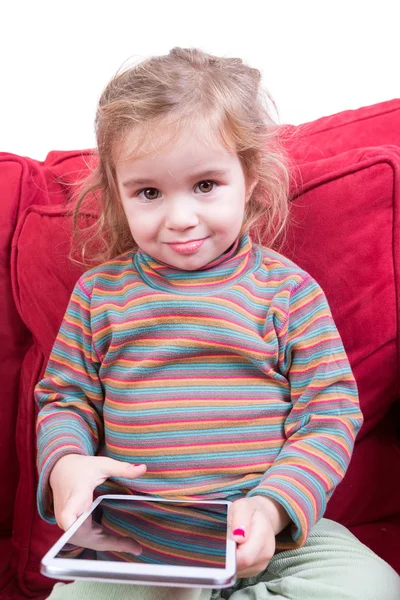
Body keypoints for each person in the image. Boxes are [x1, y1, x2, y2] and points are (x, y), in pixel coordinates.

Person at [35, 47, 400, 600]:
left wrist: (273, 507)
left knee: (372, 586)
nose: (181, 217)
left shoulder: (287, 291)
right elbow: (66, 399)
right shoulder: (98, 296)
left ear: (249, 178)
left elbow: (329, 412)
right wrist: (66, 465)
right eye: (150, 192)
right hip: (143, 536)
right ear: (118, 195)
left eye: (205, 185)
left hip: (270, 537)